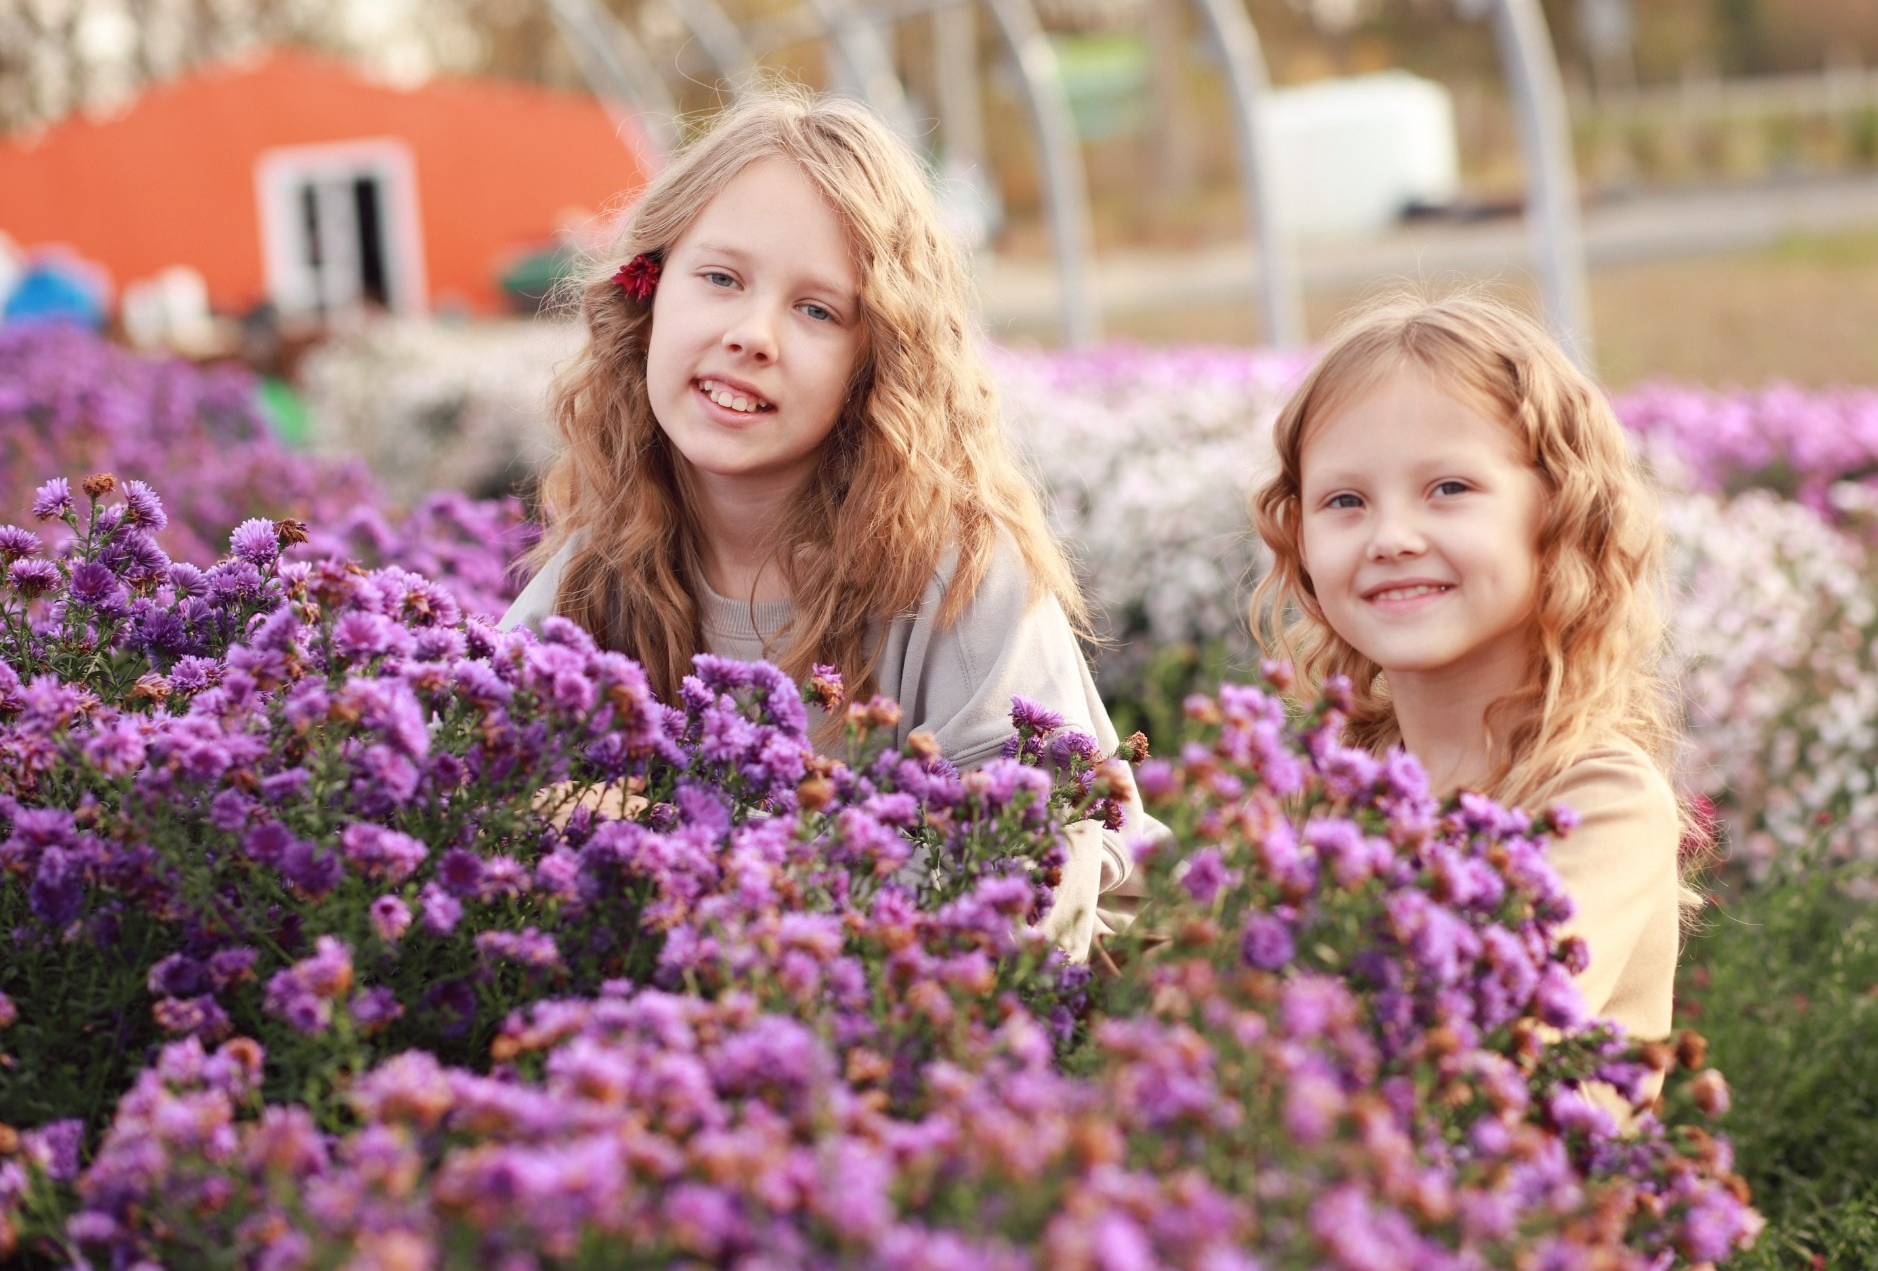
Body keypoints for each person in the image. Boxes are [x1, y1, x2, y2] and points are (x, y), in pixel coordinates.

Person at [501, 86, 1162, 958]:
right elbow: (483, 782)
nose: (753, 333)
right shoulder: (601, 563)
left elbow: (1045, 861)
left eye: (816, 310)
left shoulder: (955, 569)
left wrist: (713, 874)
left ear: (876, 365)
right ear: (648, 290)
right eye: (721, 278)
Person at [1249, 291, 1693, 1087]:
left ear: (1561, 510)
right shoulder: (1329, 791)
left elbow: (1469, 1061)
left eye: (1448, 488)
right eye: (1345, 500)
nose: (1392, 538)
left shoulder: (1601, 800)